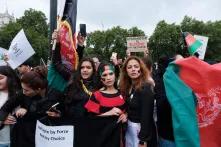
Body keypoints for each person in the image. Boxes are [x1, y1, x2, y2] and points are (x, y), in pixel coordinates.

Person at [84, 62, 127, 147]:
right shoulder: (97, 95)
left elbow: (128, 110)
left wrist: (126, 115)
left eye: (111, 74)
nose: (108, 78)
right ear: (100, 78)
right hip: (103, 140)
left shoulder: (122, 93)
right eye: (104, 75)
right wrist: (108, 113)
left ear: (115, 75)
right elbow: (89, 119)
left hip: (122, 138)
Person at [119, 56, 157, 147]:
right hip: (130, 129)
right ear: (126, 71)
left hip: (141, 133)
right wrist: (126, 114)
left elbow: (146, 116)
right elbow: (131, 106)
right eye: (130, 67)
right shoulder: (129, 86)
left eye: (136, 66)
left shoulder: (146, 87)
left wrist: (143, 140)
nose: (133, 69)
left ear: (141, 68)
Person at [0, 66, 21, 147]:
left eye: (0, 78)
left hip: (16, 140)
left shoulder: (21, 95)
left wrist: (23, 109)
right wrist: (1, 120)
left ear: (10, 78)